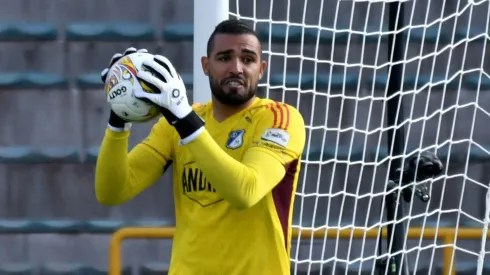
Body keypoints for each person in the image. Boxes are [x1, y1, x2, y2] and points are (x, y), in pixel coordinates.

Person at [95, 19, 306, 275]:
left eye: (248, 59)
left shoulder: (279, 118)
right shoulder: (176, 125)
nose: (236, 68)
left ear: (261, 69)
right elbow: (112, 192)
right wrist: (119, 120)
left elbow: (245, 191)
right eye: (225, 58)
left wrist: (184, 119)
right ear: (206, 65)